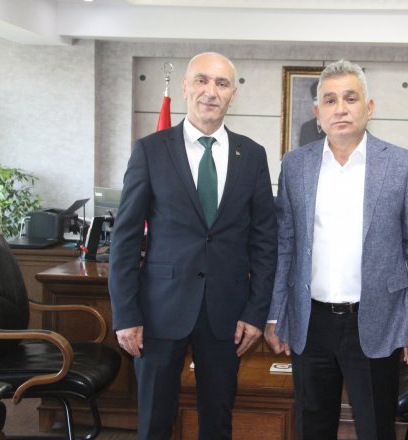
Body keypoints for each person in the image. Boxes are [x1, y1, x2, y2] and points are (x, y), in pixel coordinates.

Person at [265, 59, 408, 440]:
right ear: (317, 113)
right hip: (311, 323)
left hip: (376, 320)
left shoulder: (401, 165)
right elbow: (285, 246)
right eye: (329, 100)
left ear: (369, 107)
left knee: (376, 429)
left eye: (350, 98)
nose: (340, 109)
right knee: (312, 428)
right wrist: (276, 314)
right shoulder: (294, 166)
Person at [108, 52, 277, 440]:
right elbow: (126, 238)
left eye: (222, 83)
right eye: (201, 80)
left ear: (233, 94)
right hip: (158, 311)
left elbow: (265, 241)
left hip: (227, 314)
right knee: (154, 422)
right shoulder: (151, 150)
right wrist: (126, 314)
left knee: (217, 421)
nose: (210, 92)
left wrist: (256, 313)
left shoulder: (252, 155)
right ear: (185, 87)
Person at [298, 80, 325, 147]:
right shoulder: (306, 128)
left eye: (321, 99)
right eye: (316, 100)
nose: (318, 103)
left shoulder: (336, 125)